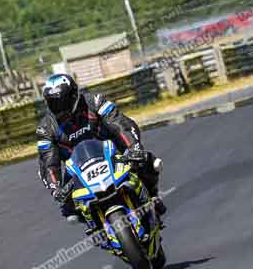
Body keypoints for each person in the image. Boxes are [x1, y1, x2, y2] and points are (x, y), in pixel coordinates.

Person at [36, 74, 167, 233]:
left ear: (74, 95)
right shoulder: (45, 128)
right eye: (53, 103)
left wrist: (133, 148)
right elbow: (48, 162)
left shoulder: (95, 101)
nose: (59, 107)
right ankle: (95, 225)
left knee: (147, 161)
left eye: (62, 101)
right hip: (78, 168)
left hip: (113, 152)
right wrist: (55, 188)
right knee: (68, 209)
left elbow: (119, 124)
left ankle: (152, 195)